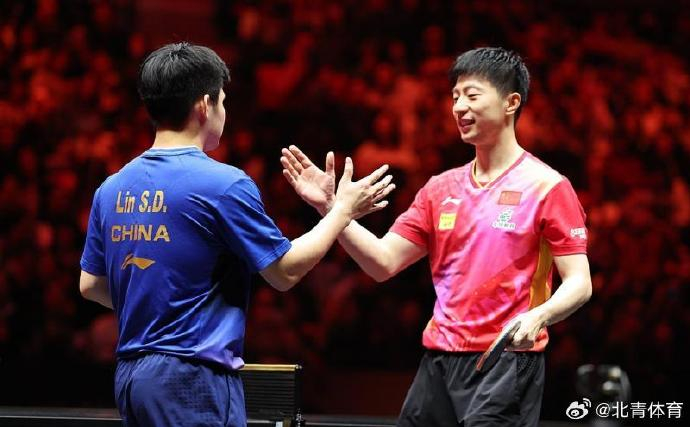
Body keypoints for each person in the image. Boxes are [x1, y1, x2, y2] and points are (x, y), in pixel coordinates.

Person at [78, 42, 395, 427]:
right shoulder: (222, 185)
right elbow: (284, 271)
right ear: (204, 105)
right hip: (192, 379)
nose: (224, 112)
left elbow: (91, 284)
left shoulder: (111, 188)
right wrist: (341, 210)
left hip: (131, 378)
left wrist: (162, 304)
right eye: (223, 101)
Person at [281, 47, 592, 426]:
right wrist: (333, 210)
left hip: (507, 358)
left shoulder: (547, 187)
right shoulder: (439, 189)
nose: (459, 107)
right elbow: (383, 263)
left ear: (511, 103)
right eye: (455, 97)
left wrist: (540, 316)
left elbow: (579, 282)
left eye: (472, 95)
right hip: (439, 361)